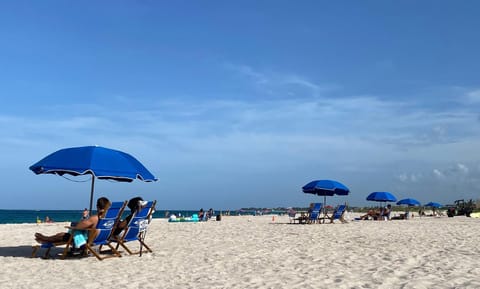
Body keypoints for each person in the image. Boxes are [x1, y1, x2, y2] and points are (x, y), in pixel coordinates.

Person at [34, 197, 111, 244]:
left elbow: (78, 227)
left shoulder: (95, 218)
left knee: (64, 235)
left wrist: (84, 218)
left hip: (88, 241)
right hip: (101, 239)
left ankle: (46, 239)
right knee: (63, 234)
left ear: (97, 206)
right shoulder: (110, 218)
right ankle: (46, 238)